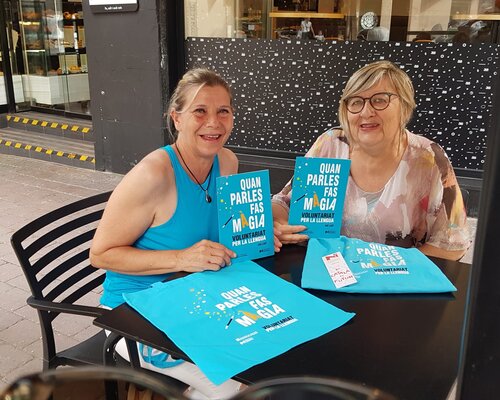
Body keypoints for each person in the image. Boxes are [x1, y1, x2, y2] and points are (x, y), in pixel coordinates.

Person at [90, 68, 244, 399]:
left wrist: (259, 232)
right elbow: (100, 254)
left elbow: (224, 229)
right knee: (239, 389)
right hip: (135, 314)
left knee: (268, 359)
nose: (213, 123)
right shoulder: (153, 174)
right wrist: (182, 259)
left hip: (196, 299)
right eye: (200, 111)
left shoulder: (228, 162)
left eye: (223, 111)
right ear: (177, 118)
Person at [272, 60, 469, 261]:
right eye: (356, 102)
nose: (366, 112)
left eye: (380, 100)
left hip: (397, 277)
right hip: (324, 270)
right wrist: (278, 225)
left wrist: (382, 269)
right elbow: (283, 203)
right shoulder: (330, 144)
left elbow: (452, 245)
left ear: (404, 106)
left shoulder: (428, 157)